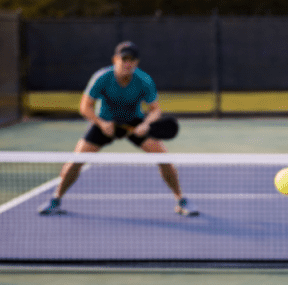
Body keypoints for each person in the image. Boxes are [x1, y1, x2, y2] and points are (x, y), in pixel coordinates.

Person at [38, 41, 198, 216]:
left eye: (132, 60)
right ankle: (56, 199)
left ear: (137, 62)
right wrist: (100, 123)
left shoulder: (143, 80)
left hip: (133, 124)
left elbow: (155, 110)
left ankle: (180, 200)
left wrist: (146, 125)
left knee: (164, 159)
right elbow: (85, 106)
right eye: (124, 59)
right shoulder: (102, 77)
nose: (128, 63)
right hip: (105, 123)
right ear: (115, 59)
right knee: (76, 160)